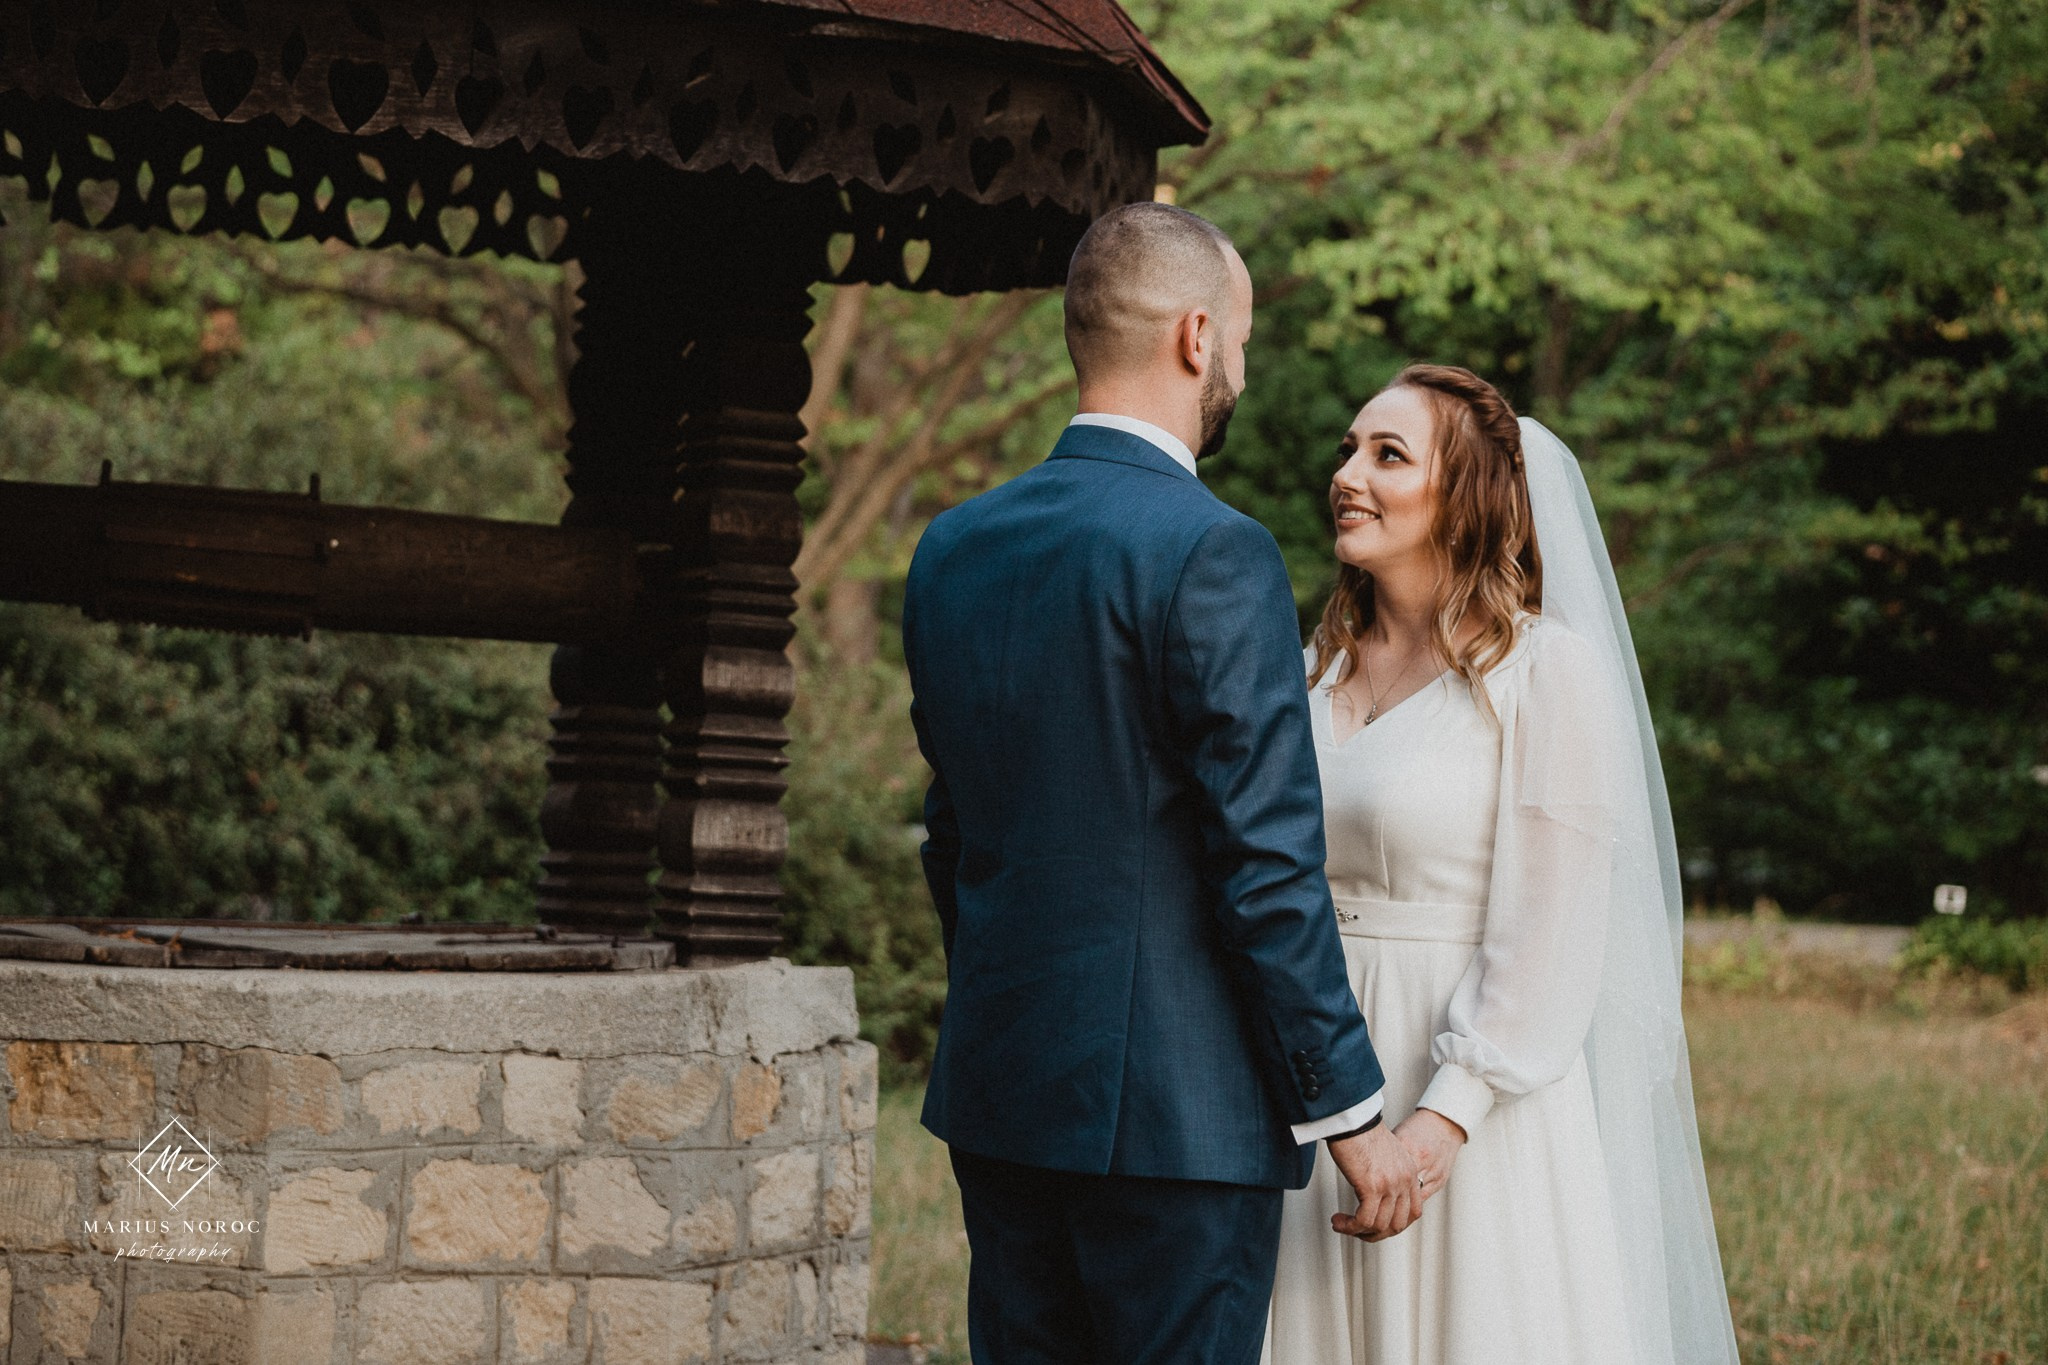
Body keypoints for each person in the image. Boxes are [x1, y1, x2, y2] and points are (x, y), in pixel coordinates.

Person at [902, 202, 1425, 1365]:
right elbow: (1263, 864)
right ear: (1196, 336)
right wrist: (1349, 1115)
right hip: (1178, 1132)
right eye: (1237, 338)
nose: (1238, 363)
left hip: (1002, 1093)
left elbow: (954, 833)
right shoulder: (1213, 550)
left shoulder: (952, 547)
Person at [1262, 364, 1741, 1365]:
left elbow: (1553, 929)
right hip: (1312, 1078)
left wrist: (1439, 1125)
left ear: (1464, 498)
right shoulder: (1312, 668)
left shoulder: (1543, 672)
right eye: (1348, 448)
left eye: (1387, 455)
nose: (1347, 473)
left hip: (1466, 1094)